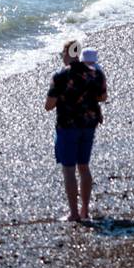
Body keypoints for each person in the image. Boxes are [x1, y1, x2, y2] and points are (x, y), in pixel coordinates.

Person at [45, 40, 107, 223]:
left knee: (69, 170)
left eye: (62, 53)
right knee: (84, 167)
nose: (62, 57)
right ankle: (85, 210)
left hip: (67, 125)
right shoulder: (96, 73)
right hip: (89, 124)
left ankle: (73, 213)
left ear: (68, 53)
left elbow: (49, 105)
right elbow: (103, 96)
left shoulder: (60, 76)